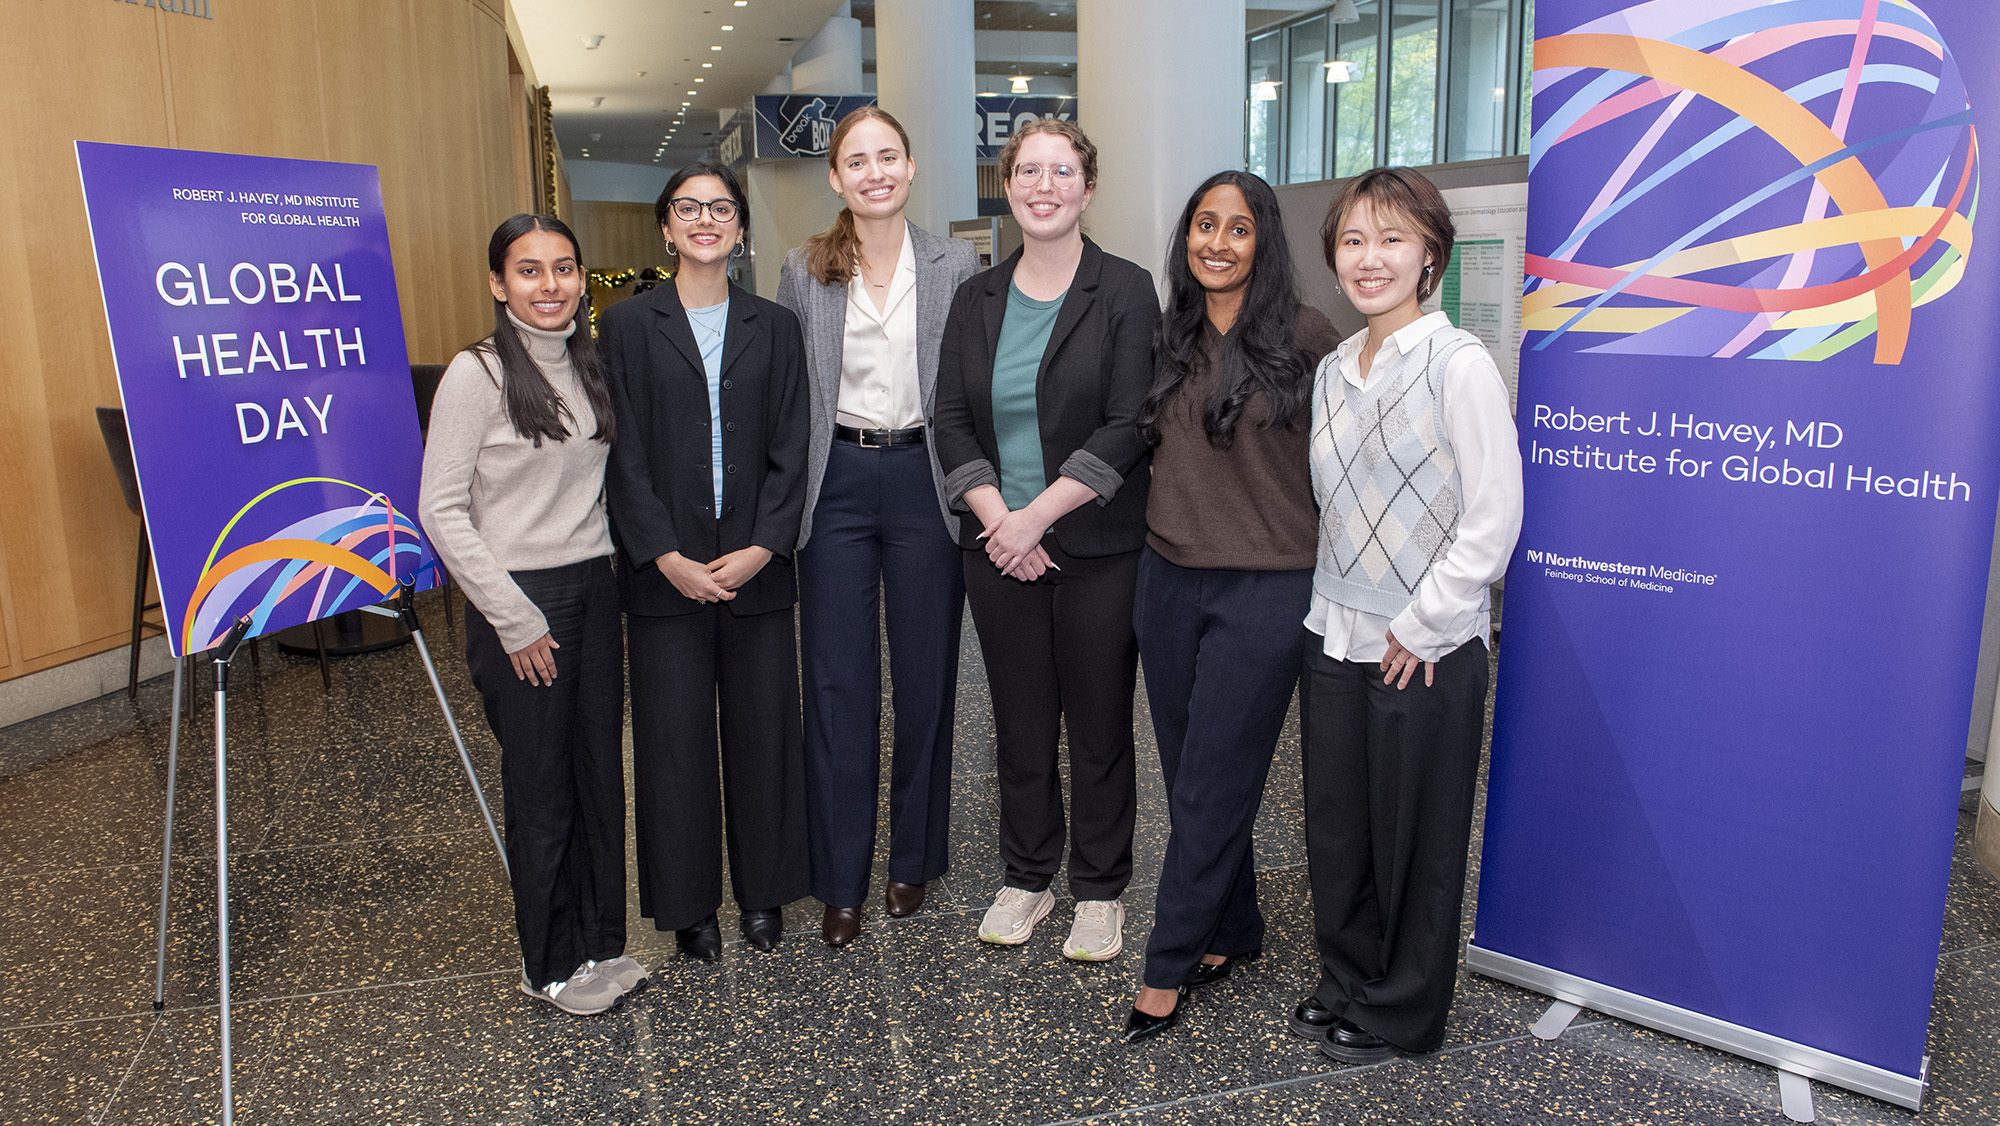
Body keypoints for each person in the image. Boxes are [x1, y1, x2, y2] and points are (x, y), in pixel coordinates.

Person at [1291, 167, 1523, 1063]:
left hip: (1421, 645)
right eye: (1353, 240)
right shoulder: (1330, 371)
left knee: (1417, 839)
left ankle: (1405, 1009)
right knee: (1341, 828)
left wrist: (1424, 623)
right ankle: (1349, 974)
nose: (1369, 258)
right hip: (1336, 631)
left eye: (1391, 239)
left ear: (1431, 253)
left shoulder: (1458, 365)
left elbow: (1494, 514)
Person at [1120, 172, 1339, 1042]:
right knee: (1187, 776)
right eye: (1203, 225)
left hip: (1270, 586)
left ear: (1264, 241)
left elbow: (1347, 474)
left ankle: (1167, 962)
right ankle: (1234, 927)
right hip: (1167, 579)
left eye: (1237, 228)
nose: (1216, 241)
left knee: (1214, 779)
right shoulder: (1165, 336)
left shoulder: (1307, 339)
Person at [933, 120, 1158, 961]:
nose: (1044, 185)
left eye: (1061, 171)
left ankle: (1100, 890)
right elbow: (951, 419)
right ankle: (1028, 875)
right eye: (1028, 170)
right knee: (1021, 723)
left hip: (1095, 546)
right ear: (1009, 184)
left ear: (1087, 187)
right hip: (996, 550)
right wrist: (1002, 521)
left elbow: (1130, 420)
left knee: (1098, 720)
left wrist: (1038, 518)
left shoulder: (1126, 289)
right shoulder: (976, 298)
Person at [419, 214, 643, 1015]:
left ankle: (597, 946)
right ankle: (546, 964)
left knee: (594, 778)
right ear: (497, 282)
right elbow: (441, 510)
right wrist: (515, 619)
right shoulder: (474, 375)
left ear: (583, 279)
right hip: (520, 599)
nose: (549, 286)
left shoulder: (588, 364)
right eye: (528, 270)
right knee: (543, 787)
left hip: (593, 584)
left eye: (563, 269)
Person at [775, 107, 980, 948]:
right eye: (855, 161)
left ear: (910, 165)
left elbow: (965, 381)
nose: (873, 172)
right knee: (837, 684)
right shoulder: (805, 267)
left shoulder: (956, 262)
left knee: (928, 678)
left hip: (926, 478)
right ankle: (840, 877)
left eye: (887, 156)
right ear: (835, 177)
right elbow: (792, 394)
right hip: (839, 482)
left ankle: (913, 861)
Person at [600, 163, 811, 962]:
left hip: (757, 564)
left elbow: (795, 441)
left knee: (764, 736)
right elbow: (619, 455)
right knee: (673, 743)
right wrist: (662, 554)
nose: (705, 219)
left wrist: (765, 544)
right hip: (667, 573)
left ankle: (763, 894)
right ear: (665, 226)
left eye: (721, 208)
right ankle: (690, 907)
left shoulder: (775, 326)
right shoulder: (625, 326)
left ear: (741, 229)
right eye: (688, 208)